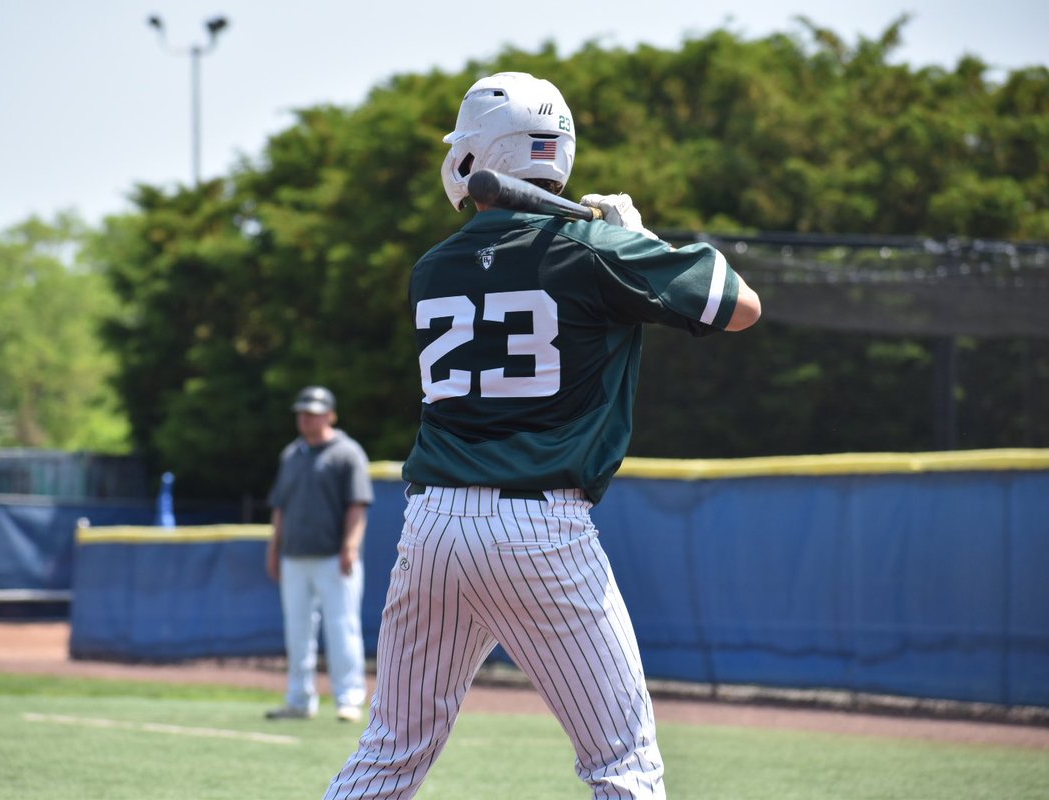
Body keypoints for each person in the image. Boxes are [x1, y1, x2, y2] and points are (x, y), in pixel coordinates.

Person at [325, 72, 760, 798]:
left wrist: (609, 242)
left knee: (391, 754)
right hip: (540, 529)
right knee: (624, 762)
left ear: (476, 154)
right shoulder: (597, 250)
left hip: (433, 524)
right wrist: (639, 239)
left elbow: (518, 265)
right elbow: (740, 306)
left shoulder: (432, 269)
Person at [265, 385, 374, 723]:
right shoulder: (292, 454)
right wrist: (274, 549)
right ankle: (299, 699)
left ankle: (349, 699)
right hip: (295, 556)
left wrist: (350, 546)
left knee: (343, 628)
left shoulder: (347, 453)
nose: (306, 418)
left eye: (313, 412)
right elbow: (280, 508)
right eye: (302, 412)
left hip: (333, 557)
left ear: (330, 414)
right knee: (297, 631)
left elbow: (357, 505)